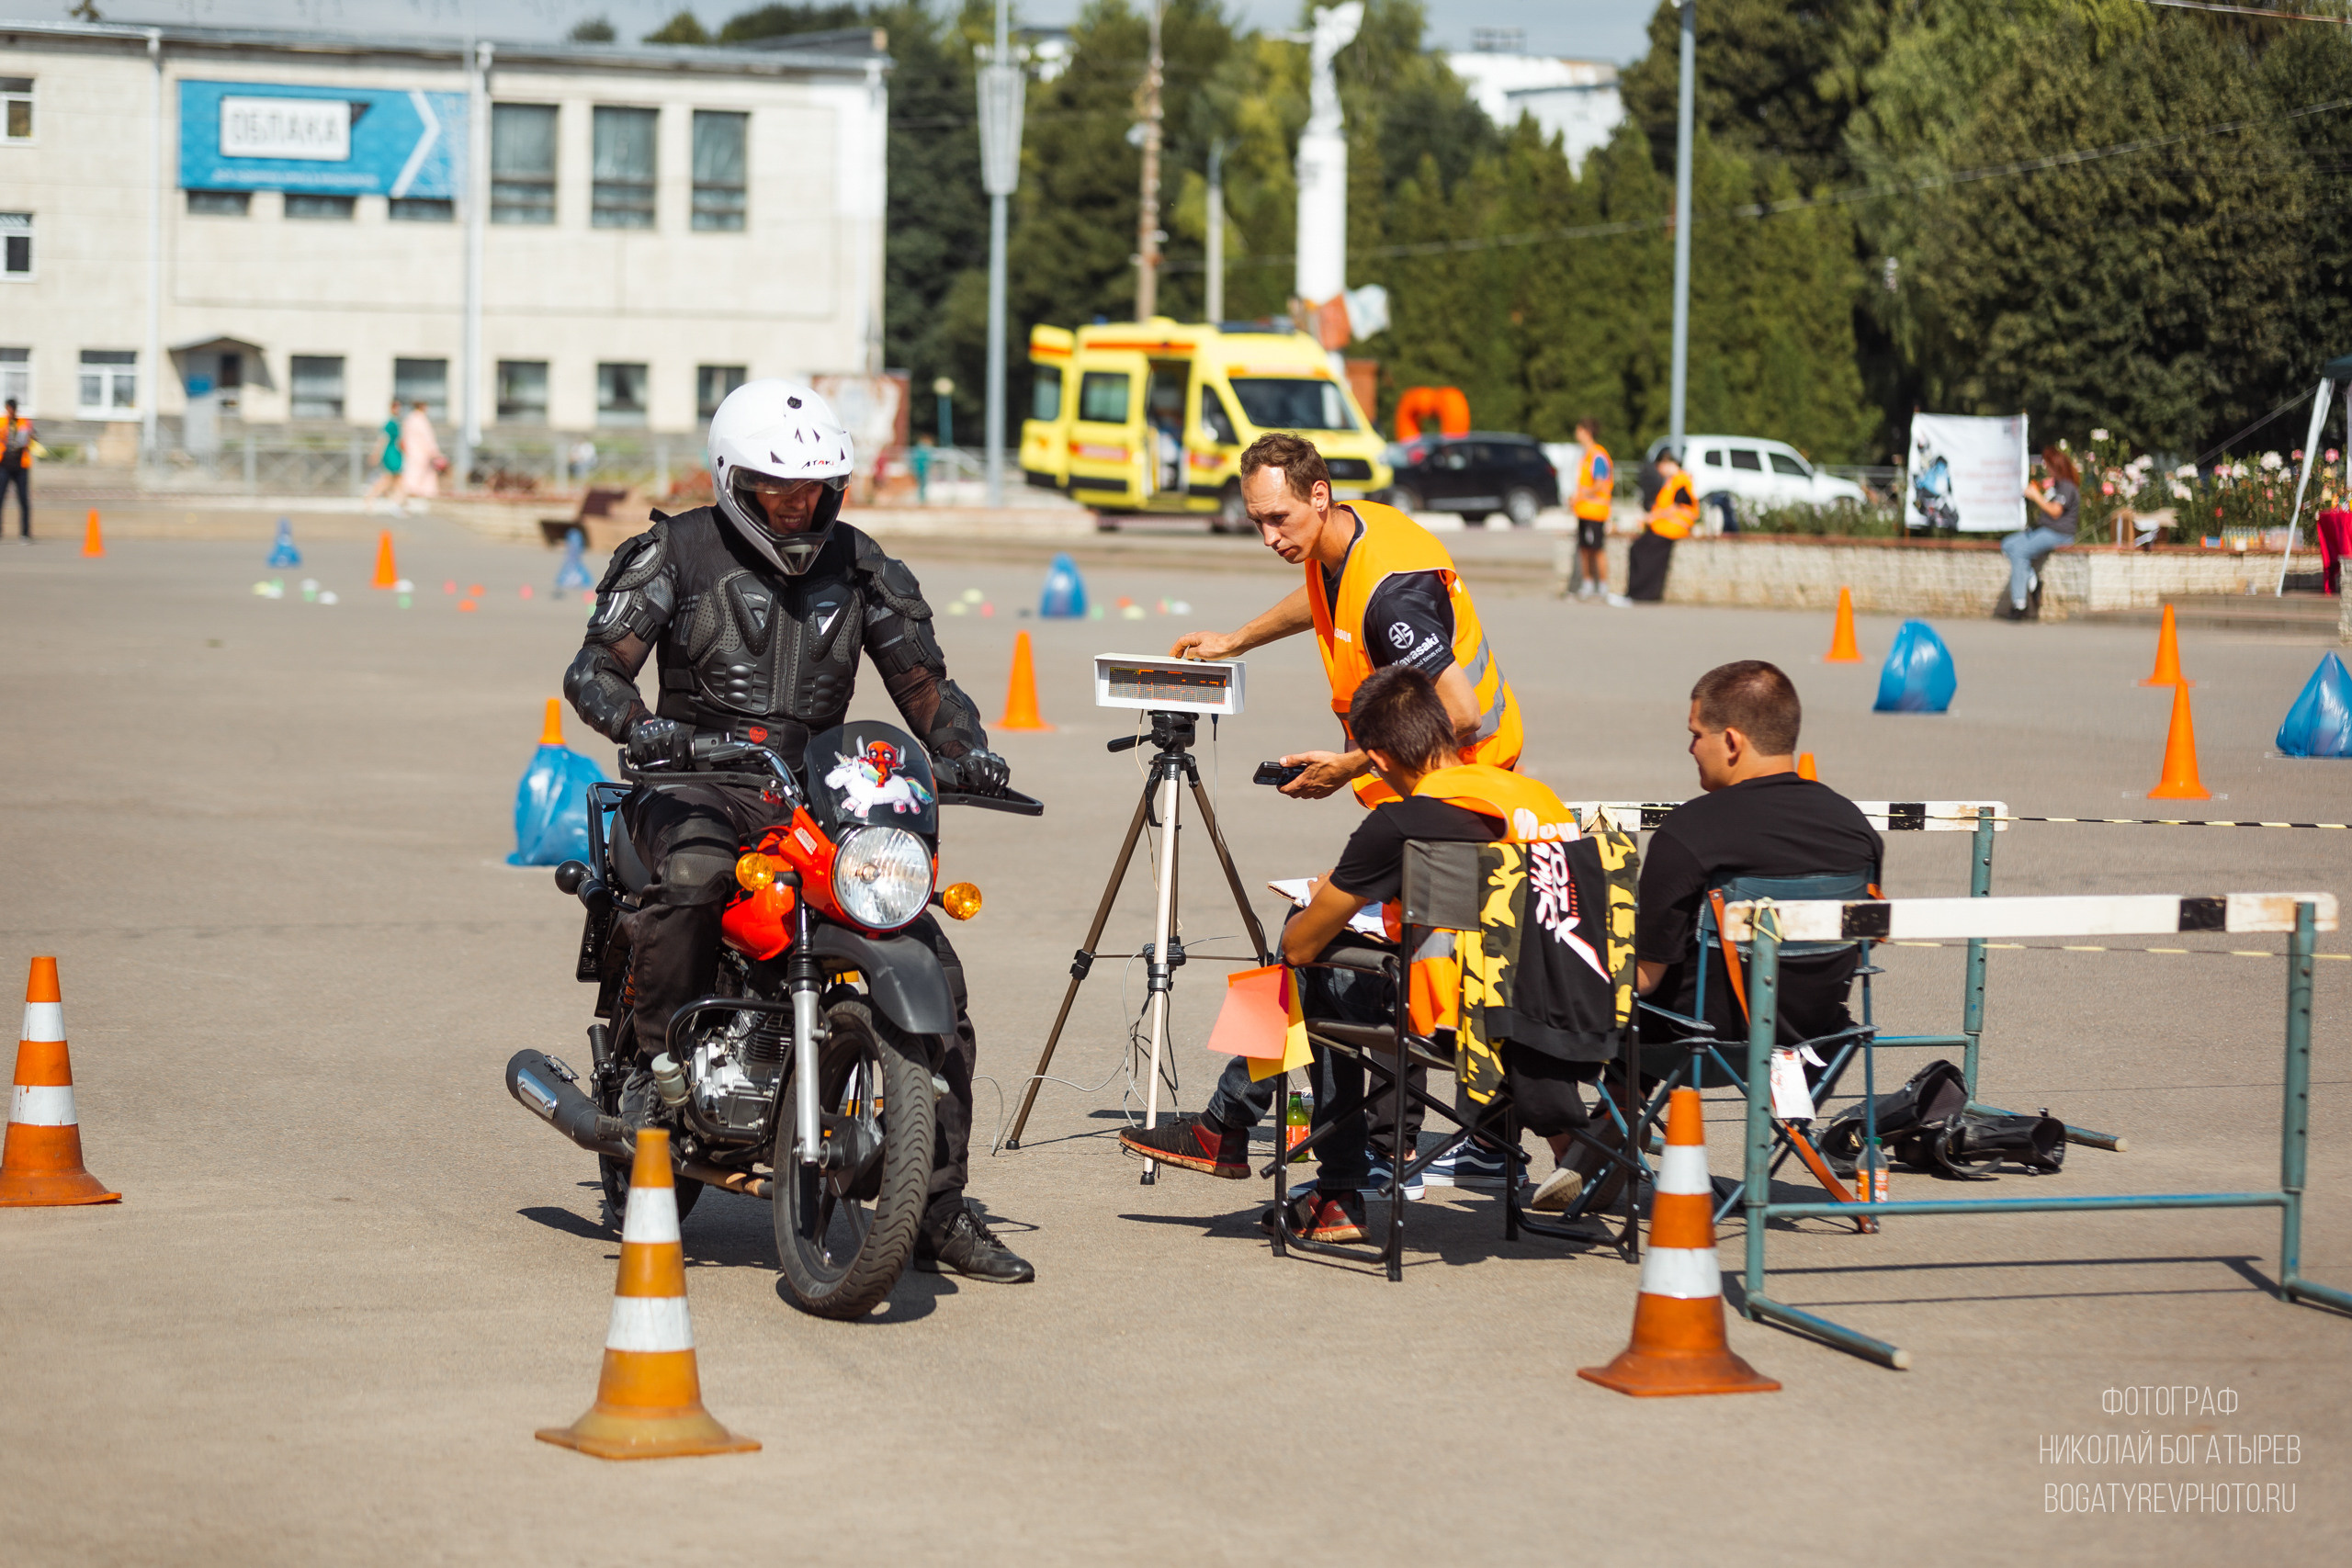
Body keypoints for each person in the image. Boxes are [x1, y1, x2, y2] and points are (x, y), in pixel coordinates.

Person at [561, 379, 1033, 1284]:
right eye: (779, 489)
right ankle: (656, 1079)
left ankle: (934, 1206)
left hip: (818, 793)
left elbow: (926, 683)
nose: (797, 504)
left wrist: (963, 746)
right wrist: (637, 725)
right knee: (697, 877)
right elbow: (595, 670)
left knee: (932, 961)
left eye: (812, 490)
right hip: (694, 779)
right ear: (734, 479)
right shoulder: (672, 553)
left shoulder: (862, 567)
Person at [1120, 667, 1611, 1237]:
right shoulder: (1538, 798)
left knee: (1305, 968)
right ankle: (1234, 1131)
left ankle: (1283, 1157)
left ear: (1375, 760)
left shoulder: (1402, 823)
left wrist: (1338, 892)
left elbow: (1300, 944)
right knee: (1320, 968)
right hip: (1566, 1007)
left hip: (1461, 1020)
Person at [1167, 430, 1529, 1187]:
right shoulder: (1344, 542)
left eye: (1279, 520)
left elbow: (1459, 712)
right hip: (1432, 798)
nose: (1270, 536)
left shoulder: (1394, 596)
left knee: (1316, 949)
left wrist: (1350, 764)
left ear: (1318, 496)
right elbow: (1321, 601)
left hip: (1457, 800)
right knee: (1425, 968)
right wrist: (1238, 639)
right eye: (1257, 521)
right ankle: (1466, 1143)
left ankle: (1283, 1139)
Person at [1634, 660, 1882, 1049]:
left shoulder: (1689, 830)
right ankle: (1612, 1108)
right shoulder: (1856, 828)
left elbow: (1644, 979)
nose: (1691, 748)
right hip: (1819, 1033)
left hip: (1704, 1037)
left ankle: (1615, 1103)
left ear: (1732, 742)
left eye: (1696, 735)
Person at [2001, 446, 2080, 620]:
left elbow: (2055, 512)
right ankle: (2032, 582)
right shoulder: (2057, 486)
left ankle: (2019, 605)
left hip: (2058, 533)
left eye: (2047, 464)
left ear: (2055, 465)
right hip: (2044, 530)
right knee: (2008, 544)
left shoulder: (2066, 486)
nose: (2045, 468)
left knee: (2019, 552)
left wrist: (2036, 496)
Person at [1613, 448, 1696, 606]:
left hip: (1670, 529)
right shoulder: (1673, 481)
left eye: (1659, 466)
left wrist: (1653, 517)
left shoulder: (1681, 480)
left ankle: (1641, 594)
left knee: (1641, 551)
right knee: (1638, 549)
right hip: (1663, 528)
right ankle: (1638, 593)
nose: (1658, 471)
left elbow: (1678, 507)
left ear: (1666, 463)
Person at [1569, 417, 1613, 601]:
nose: (1576, 433)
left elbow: (1600, 484)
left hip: (1596, 511)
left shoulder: (1598, 455)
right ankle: (1587, 584)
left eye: (1578, 430)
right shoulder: (1587, 455)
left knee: (1597, 549)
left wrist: (1581, 494)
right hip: (1585, 511)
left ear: (1586, 432)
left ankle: (1602, 585)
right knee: (1584, 549)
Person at [399, 400, 443, 506]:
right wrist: (434, 451)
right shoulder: (420, 420)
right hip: (421, 451)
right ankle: (417, 491)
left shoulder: (409, 419)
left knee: (412, 471)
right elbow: (427, 437)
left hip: (412, 451)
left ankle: (411, 490)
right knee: (419, 472)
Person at [364, 400, 403, 513]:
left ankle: (396, 502)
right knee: (387, 478)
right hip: (390, 453)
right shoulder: (390, 423)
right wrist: (376, 453)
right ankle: (370, 498)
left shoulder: (396, 422)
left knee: (397, 479)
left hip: (396, 453)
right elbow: (383, 439)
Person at [2, 398, 32, 541]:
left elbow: (32, 438)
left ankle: (25, 533)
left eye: (12, 408)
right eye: (8, 408)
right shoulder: (2, 422)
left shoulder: (24, 422)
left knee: (23, 500)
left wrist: (30, 436)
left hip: (21, 466)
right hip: (4, 465)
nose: (10, 411)